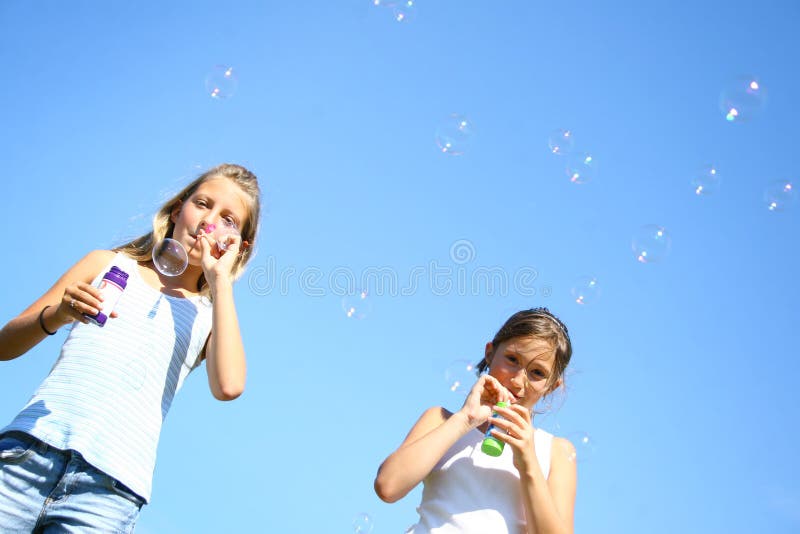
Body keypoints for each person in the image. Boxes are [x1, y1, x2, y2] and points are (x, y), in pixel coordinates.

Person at [0, 163, 261, 532]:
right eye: (202, 204)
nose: (209, 221)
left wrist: (221, 281)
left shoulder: (211, 314)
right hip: (27, 453)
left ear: (239, 247)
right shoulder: (106, 264)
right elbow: (4, 345)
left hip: (108, 492)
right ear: (176, 210)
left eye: (229, 220)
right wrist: (58, 315)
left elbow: (230, 386)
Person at [374, 308, 577, 534]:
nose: (518, 381)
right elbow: (388, 486)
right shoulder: (441, 420)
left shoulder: (555, 452)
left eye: (537, 373)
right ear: (490, 353)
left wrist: (528, 462)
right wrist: (464, 420)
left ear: (552, 386)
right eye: (512, 359)